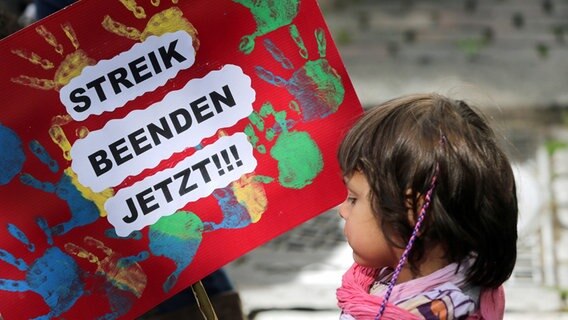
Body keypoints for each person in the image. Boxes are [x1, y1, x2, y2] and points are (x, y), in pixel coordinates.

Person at [336, 93, 518, 319]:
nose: (342, 210)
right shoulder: (465, 267)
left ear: (414, 212)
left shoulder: (429, 312)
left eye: (354, 199)